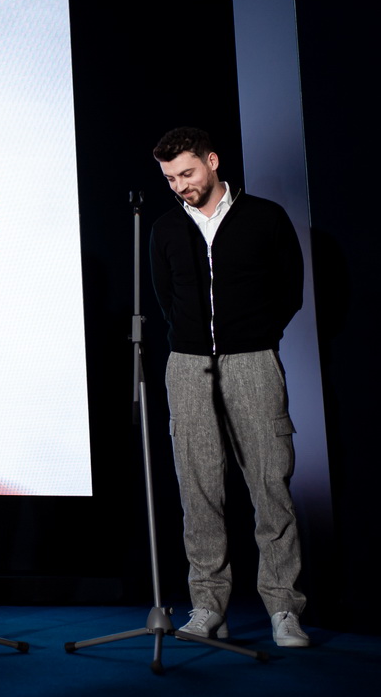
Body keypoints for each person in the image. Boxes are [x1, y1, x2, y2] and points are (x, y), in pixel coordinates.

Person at [149, 127, 309, 648]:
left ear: (212, 161)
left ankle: (283, 608)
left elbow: (290, 289)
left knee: (270, 486)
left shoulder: (265, 217)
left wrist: (254, 335)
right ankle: (207, 606)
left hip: (252, 362)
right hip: (187, 366)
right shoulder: (166, 228)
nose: (181, 185)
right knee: (198, 492)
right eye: (170, 178)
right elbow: (165, 297)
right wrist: (193, 340)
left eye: (187, 173)